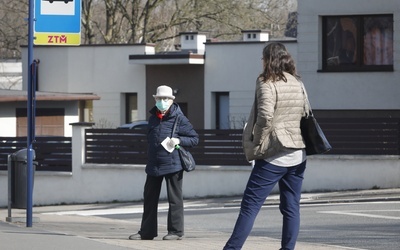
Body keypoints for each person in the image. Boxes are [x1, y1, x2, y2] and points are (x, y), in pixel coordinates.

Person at [223, 42, 308, 250]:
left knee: (250, 206)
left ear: (268, 60)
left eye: (262, 58)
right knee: (291, 207)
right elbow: (305, 112)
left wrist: (257, 141)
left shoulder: (266, 81)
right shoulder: (297, 81)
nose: (261, 63)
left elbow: (265, 116)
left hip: (273, 154)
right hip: (298, 153)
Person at [129, 85, 199, 241]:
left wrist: (179, 140)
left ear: (171, 100)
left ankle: (176, 232)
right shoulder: (153, 118)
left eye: (165, 99)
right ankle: (146, 232)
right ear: (155, 100)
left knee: (174, 199)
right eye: (160, 99)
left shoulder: (179, 118)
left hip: (173, 164)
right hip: (154, 164)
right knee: (149, 198)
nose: (162, 101)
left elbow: (194, 139)